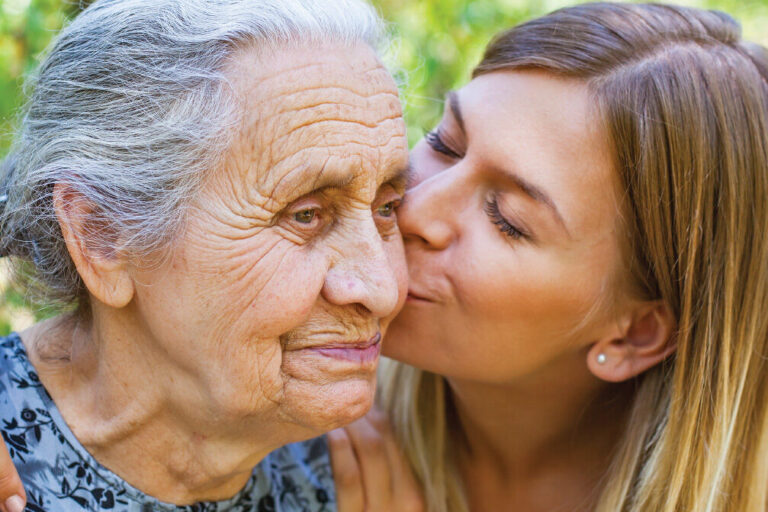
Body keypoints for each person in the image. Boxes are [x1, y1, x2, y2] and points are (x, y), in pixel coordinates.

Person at [328, 3, 768, 512]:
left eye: (507, 219)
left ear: (635, 334)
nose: (413, 212)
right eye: (444, 143)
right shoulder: (295, 439)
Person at [0, 0, 413, 510]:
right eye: (305, 215)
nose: (382, 288)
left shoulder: (370, 471)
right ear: (103, 236)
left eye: (387, 207)